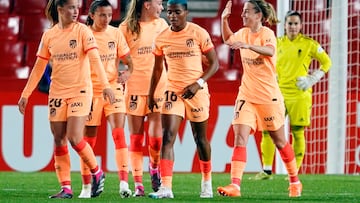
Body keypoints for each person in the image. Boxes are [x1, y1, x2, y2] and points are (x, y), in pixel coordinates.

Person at [17, 0, 114, 199]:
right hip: (57, 93)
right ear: (60, 9)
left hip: (80, 91)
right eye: (71, 7)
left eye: (77, 8)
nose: (76, 11)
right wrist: (25, 94)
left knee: (74, 137)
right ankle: (66, 188)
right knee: (59, 139)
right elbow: (38, 67)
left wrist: (105, 86)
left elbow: (95, 60)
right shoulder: (49, 35)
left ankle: (97, 172)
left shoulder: (83, 32)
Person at [217, 0, 302, 198]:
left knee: (280, 141)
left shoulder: (266, 34)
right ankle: (235, 186)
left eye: (247, 12)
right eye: (243, 11)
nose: (243, 15)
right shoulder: (243, 32)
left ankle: (295, 182)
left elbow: (270, 51)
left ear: (258, 16)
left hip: (268, 97)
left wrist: (248, 45)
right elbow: (229, 39)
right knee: (240, 137)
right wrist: (224, 20)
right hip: (247, 94)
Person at [147, 0, 219, 199]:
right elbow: (157, 69)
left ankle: (206, 183)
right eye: (169, 12)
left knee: (200, 139)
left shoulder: (198, 33)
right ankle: (166, 188)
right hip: (173, 91)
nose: (172, 16)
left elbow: (215, 64)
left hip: (197, 90)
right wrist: (151, 93)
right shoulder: (162, 38)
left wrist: (198, 83)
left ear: (185, 12)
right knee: (168, 136)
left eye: (177, 12)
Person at [251, 10, 332, 180]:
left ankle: (293, 172)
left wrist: (313, 78)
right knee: (268, 130)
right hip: (277, 93)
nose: (293, 26)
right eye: (290, 23)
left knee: (297, 132)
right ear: (285, 25)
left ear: (301, 26)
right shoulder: (277, 43)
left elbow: (327, 62)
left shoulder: (309, 44)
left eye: (296, 23)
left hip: (299, 95)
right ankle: (266, 170)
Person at [77, 0, 134, 198]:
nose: (107, 19)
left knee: (119, 134)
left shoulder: (115, 33)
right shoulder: (83, 34)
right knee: (88, 141)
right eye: (102, 15)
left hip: (113, 88)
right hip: (90, 91)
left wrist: (127, 73)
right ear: (91, 15)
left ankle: (124, 184)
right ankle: (86, 187)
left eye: (109, 15)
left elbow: (129, 61)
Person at [119, 0, 168, 197]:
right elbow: (116, 55)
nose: (162, 8)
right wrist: (120, 72)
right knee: (136, 139)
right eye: (159, 3)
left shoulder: (162, 26)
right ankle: (139, 184)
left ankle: (154, 167)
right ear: (147, 4)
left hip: (158, 87)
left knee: (156, 141)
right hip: (134, 88)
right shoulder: (125, 28)